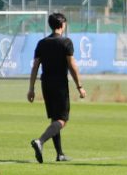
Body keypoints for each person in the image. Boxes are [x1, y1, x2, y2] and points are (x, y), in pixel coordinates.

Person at [27, 12, 86, 163]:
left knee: (54, 118)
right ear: (62, 24)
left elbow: (35, 66)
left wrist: (31, 88)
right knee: (62, 120)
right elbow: (72, 65)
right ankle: (40, 141)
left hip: (45, 83)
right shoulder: (66, 42)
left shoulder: (42, 43)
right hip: (60, 84)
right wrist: (80, 86)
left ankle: (59, 154)